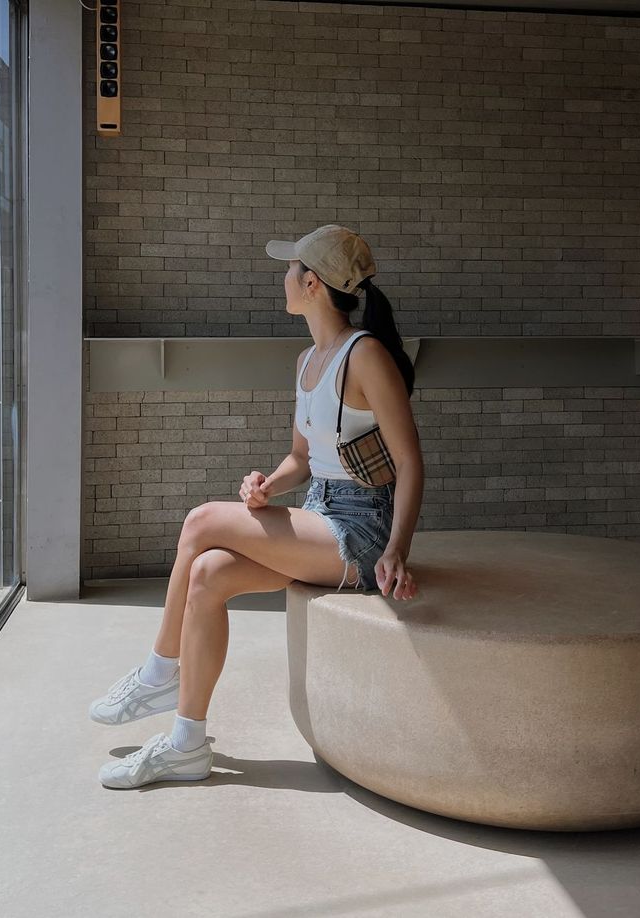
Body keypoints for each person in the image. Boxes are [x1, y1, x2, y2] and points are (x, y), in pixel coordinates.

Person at [91, 224, 425, 789]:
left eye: (290, 269)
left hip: (359, 532)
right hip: (319, 511)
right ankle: (186, 744)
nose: (282, 277)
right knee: (207, 573)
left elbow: (410, 462)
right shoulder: (306, 361)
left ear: (312, 283)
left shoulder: (364, 357)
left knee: (200, 521)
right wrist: (267, 486)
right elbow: (302, 457)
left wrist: (396, 550)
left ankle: (158, 672)